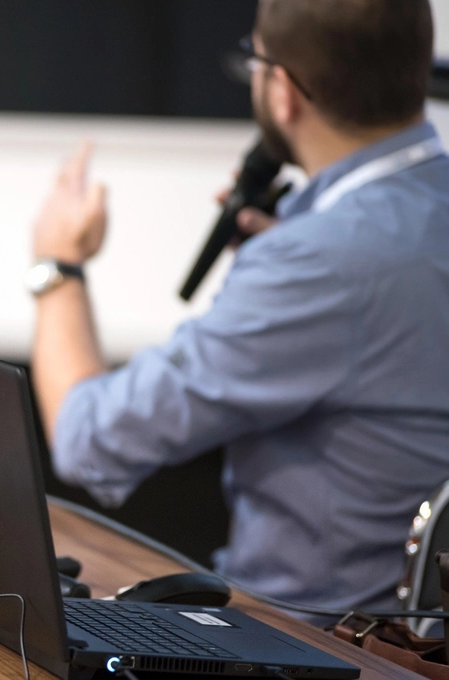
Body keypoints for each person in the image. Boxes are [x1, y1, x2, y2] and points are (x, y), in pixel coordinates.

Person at [29, 0, 449, 618]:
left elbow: (91, 439)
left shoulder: (313, 262)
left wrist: (59, 266)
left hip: (313, 642)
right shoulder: (351, 237)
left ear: (282, 91)